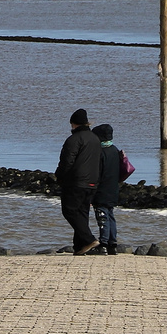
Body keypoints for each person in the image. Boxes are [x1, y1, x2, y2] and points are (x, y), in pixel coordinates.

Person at [55, 108, 101, 254]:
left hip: (76, 182)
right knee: (82, 214)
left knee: (69, 210)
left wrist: (59, 177)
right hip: (92, 182)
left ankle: (89, 239)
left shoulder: (73, 140)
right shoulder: (95, 138)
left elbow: (66, 162)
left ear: (74, 124)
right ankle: (80, 246)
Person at [92, 123, 122, 254]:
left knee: (102, 216)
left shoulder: (99, 153)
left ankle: (103, 243)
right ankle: (113, 244)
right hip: (113, 189)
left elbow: (96, 174)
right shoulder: (115, 150)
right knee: (110, 215)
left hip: (101, 190)